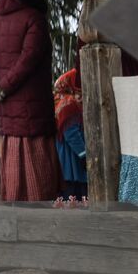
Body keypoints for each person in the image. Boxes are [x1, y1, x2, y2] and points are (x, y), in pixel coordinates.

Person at [0, 0, 59, 202]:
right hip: (33, 111)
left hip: (6, 109)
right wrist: (4, 86)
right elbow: (30, 58)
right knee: (40, 183)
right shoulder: (35, 19)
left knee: (14, 178)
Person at [53, 67, 87, 198]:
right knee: (74, 196)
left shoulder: (59, 101)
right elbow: (71, 133)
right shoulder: (69, 104)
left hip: (65, 158)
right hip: (72, 159)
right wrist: (84, 155)